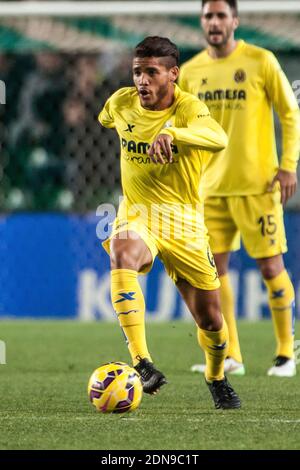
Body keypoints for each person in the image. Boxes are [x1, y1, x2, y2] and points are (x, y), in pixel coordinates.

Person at [98, 36, 241, 409]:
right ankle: (142, 363)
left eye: (151, 73)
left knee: (210, 321)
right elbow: (106, 118)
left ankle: (216, 375)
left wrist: (172, 133)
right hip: (138, 212)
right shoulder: (120, 103)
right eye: (137, 72)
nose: (141, 81)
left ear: (173, 75)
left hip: (184, 222)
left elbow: (218, 138)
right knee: (121, 251)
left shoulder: (189, 109)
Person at [179, 0, 300, 377]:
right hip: (210, 189)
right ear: (202, 22)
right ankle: (231, 354)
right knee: (213, 273)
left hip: (257, 186)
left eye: (220, 15)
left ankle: (285, 354)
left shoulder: (261, 61)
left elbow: (290, 112)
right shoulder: (190, 71)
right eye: (208, 16)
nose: (214, 22)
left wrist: (287, 166)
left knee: (270, 266)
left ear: (235, 20)